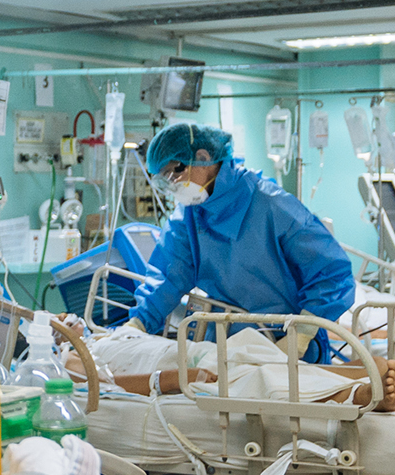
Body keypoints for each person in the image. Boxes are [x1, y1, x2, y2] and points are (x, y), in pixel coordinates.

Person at [126, 123, 355, 362]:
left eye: (175, 174)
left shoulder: (271, 205)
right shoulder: (188, 216)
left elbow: (331, 272)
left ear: (202, 157)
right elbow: (169, 275)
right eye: (164, 180)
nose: (173, 185)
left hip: (285, 344)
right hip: (226, 347)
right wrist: (137, 323)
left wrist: (301, 335)